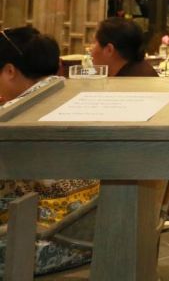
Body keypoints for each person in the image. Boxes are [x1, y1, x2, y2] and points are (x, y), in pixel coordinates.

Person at [0, 27, 98, 276]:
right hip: (98, 233)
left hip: (42, 242)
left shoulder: (12, 116)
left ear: (10, 71)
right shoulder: (84, 97)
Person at [90, 18, 158, 77]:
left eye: (94, 42)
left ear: (109, 50)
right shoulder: (140, 68)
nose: (90, 49)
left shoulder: (126, 83)